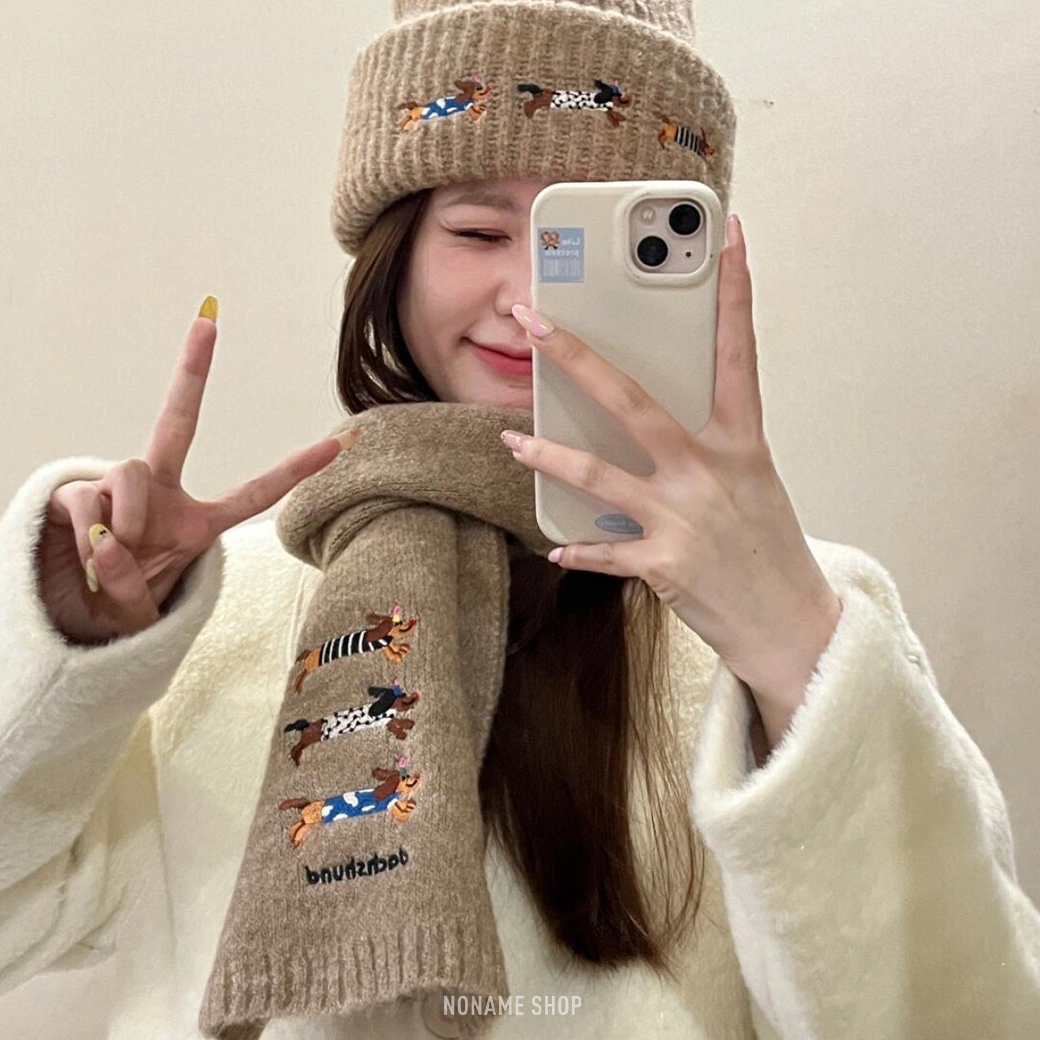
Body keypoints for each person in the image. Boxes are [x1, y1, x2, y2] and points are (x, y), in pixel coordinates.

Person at [3, 2, 1039, 1038]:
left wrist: (787, 647)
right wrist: (76, 657)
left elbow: (965, 1017)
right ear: (394, 252)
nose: (528, 298)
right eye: (479, 231)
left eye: (582, 243)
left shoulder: (806, 618)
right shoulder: (218, 608)